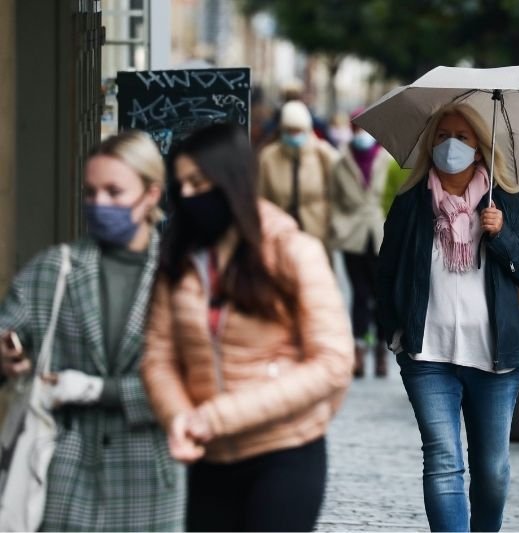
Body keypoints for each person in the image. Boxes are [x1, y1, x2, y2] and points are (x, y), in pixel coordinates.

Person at [141, 123, 353, 532]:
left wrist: (216, 417)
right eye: (180, 184)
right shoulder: (179, 261)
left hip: (285, 451)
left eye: (199, 183)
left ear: (232, 182)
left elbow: (333, 361)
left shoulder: (292, 251)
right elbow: (158, 357)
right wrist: (179, 418)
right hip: (208, 457)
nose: (187, 195)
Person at [0, 131, 184, 531]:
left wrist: (100, 391)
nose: (99, 204)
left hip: (149, 482)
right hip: (63, 478)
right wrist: (7, 356)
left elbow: (197, 383)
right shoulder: (55, 269)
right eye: (90, 192)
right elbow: (9, 329)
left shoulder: (180, 278)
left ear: (150, 195)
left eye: (114, 192)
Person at [378, 103, 519, 532]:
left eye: (463, 136)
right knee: (442, 461)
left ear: (480, 149)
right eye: (441, 135)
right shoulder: (411, 204)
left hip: (494, 360)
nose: (450, 144)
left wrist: (502, 234)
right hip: (427, 356)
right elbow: (386, 270)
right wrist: (393, 330)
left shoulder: (504, 204)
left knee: (491, 470)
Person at [330, 117, 394, 377]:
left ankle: (380, 350)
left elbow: (393, 195)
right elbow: (332, 197)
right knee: (359, 294)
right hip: (353, 236)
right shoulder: (341, 160)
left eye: (366, 130)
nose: (361, 134)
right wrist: (339, 224)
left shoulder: (387, 160)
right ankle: (358, 349)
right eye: (357, 129)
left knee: (380, 296)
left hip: (380, 234)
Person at [258, 100, 340, 248]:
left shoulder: (323, 154)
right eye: (289, 130)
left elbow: (337, 192)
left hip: (317, 233)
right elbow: (262, 197)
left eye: (298, 130)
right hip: (280, 235)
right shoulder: (268, 157)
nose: (294, 135)